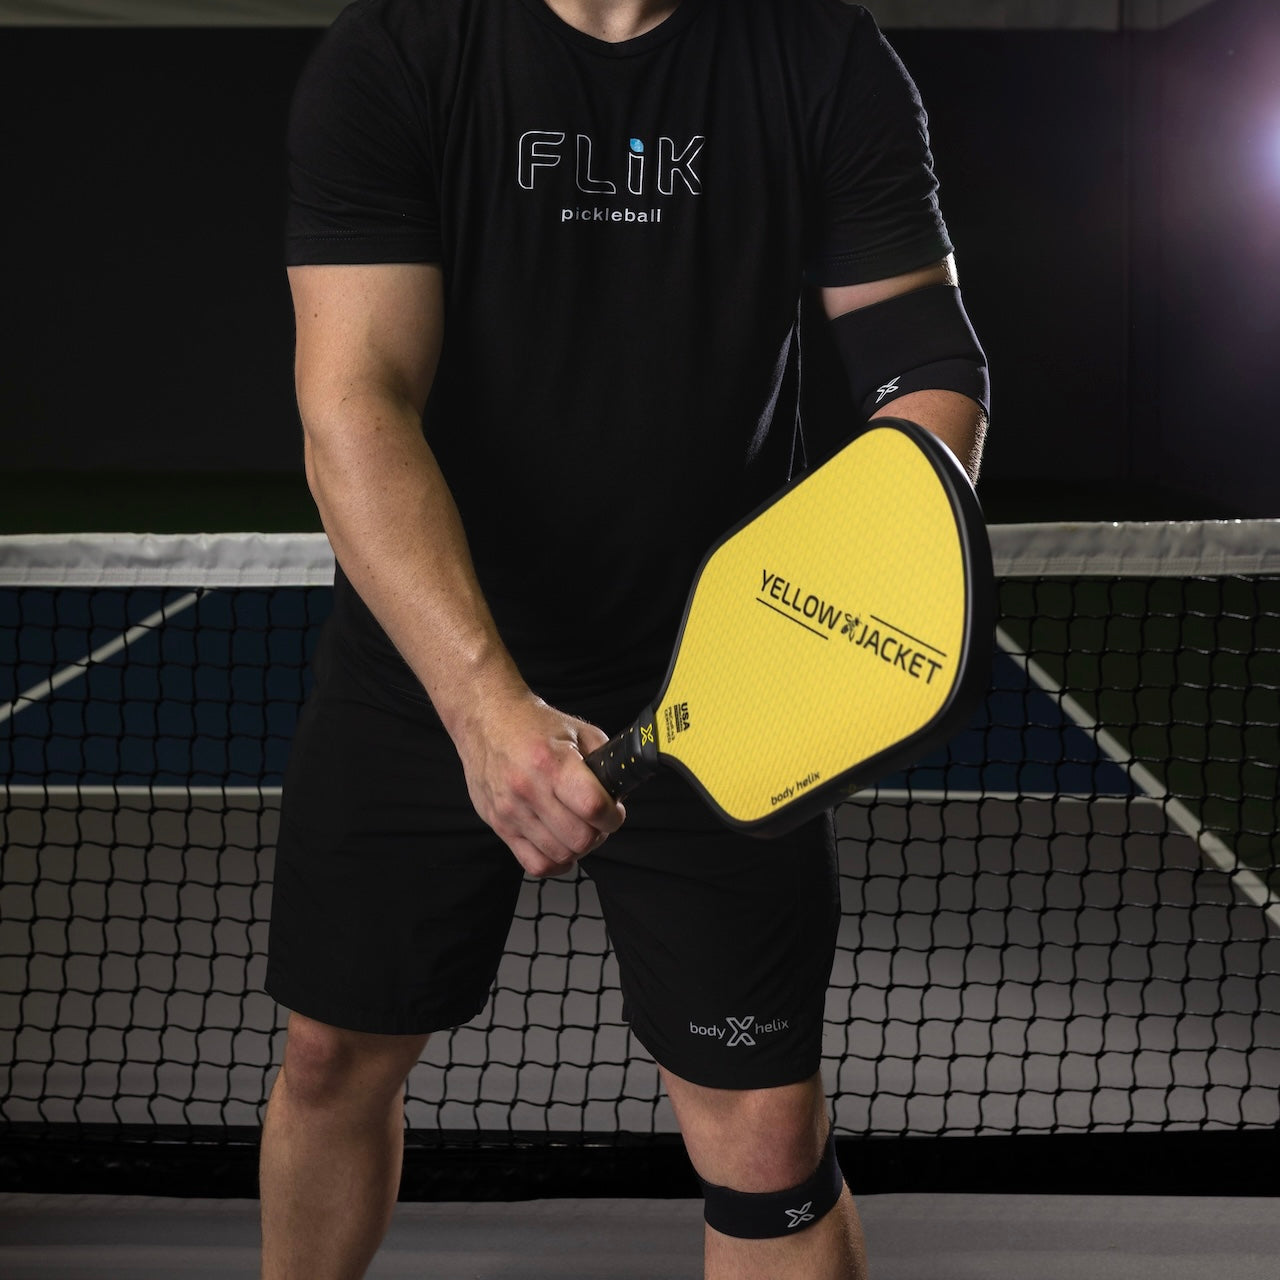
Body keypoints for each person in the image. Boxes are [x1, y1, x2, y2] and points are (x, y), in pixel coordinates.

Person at [260, 1, 989, 1277]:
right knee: (330, 1055)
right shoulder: (400, 51)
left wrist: (873, 564)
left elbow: (921, 356)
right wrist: (482, 701)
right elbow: (354, 401)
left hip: (720, 675)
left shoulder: (819, 54)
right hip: (427, 666)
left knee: (767, 1133)